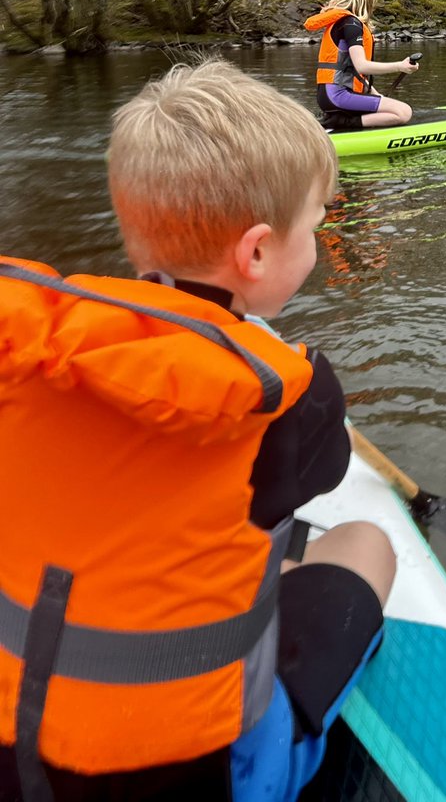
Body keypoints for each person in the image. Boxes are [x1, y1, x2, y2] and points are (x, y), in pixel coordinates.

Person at [0, 60, 396, 802]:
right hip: (197, 779)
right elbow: (327, 469)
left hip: (13, 756)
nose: (317, 243)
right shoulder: (288, 399)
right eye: (314, 227)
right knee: (366, 545)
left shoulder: (27, 353)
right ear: (255, 253)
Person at [304, 0, 419, 131]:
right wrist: (400, 66)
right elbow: (362, 67)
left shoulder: (344, 22)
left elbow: (353, 72)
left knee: (392, 106)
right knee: (403, 112)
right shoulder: (351, 24)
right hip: (338, 96)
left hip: (329, 96)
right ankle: (339, 123)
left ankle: (340, 119)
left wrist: (375, 94)